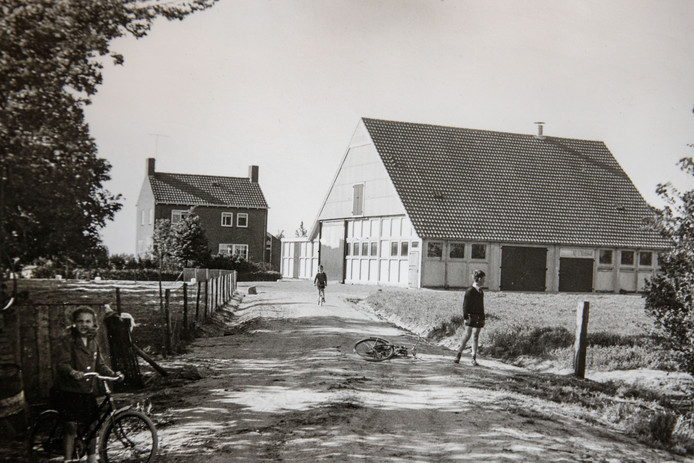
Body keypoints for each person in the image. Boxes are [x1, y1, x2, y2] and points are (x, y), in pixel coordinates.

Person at [53, 306, 121, 463]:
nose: (84, 325)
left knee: (93, 426)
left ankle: (92, 458)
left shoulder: (93, 342)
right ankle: (68, 459)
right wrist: (72, 372)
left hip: (85, 390)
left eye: (88, 321)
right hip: (67, 390)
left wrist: (113, 375)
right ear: (74, 323)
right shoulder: (68, 341)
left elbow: (100, 365)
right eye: (80, 321)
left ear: (93, 323)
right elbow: (62, 363)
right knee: (71, 426)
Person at [454, 270, 486, 366]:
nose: (484, 281)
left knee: (476, 336)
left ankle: (473, 358)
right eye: (483, 279)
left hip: (478, 316)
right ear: (479, 279)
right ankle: (458, 354)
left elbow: (481, 306)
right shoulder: (470, 291)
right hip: (471, 316)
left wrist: (483, 318)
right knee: (467, 335)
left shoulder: (480, 291)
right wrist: (465, 317)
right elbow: (465, 306)